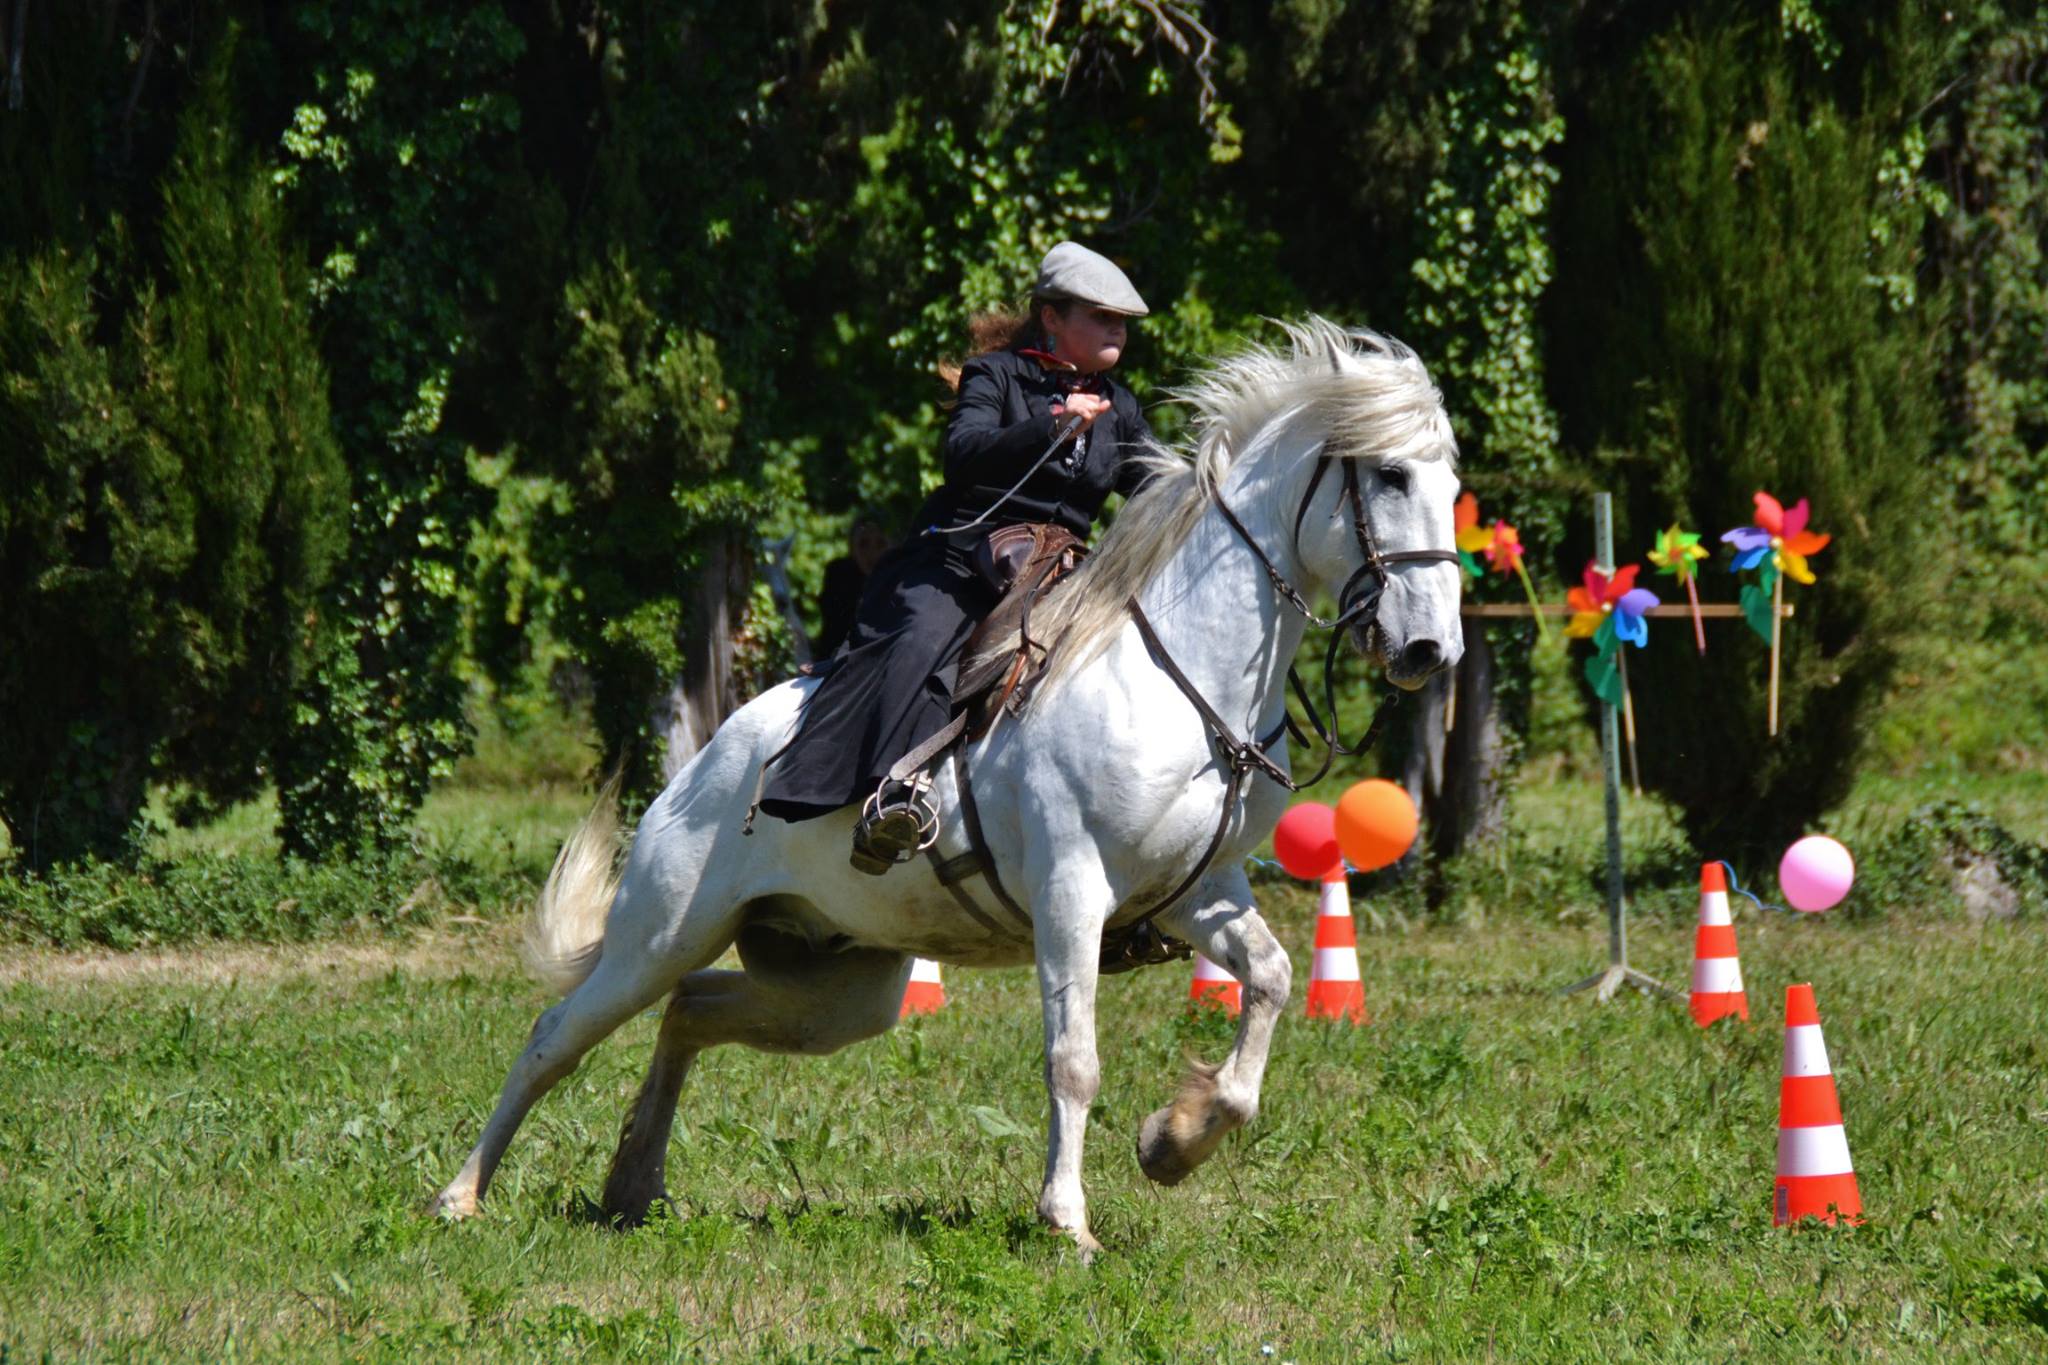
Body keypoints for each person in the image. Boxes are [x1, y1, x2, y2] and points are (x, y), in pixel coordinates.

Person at [759, 241, 1157, 872]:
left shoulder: (1123, 405)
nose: (1117, 330)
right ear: (1052, 319)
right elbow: (964, 453)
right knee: (921, 636)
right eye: (1100, 316)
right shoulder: (997, 375)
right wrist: (1053, 423)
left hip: (1066, 571)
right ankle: (896, 791)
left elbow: (1155, 487)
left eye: (1122, 323)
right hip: (968, 556)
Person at [814, 516, 892, 659]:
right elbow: (833, 633)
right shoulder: (838, 577)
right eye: (863, 544)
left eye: (880, 544)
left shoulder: (901, 580)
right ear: (852, 548)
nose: (872, 553)